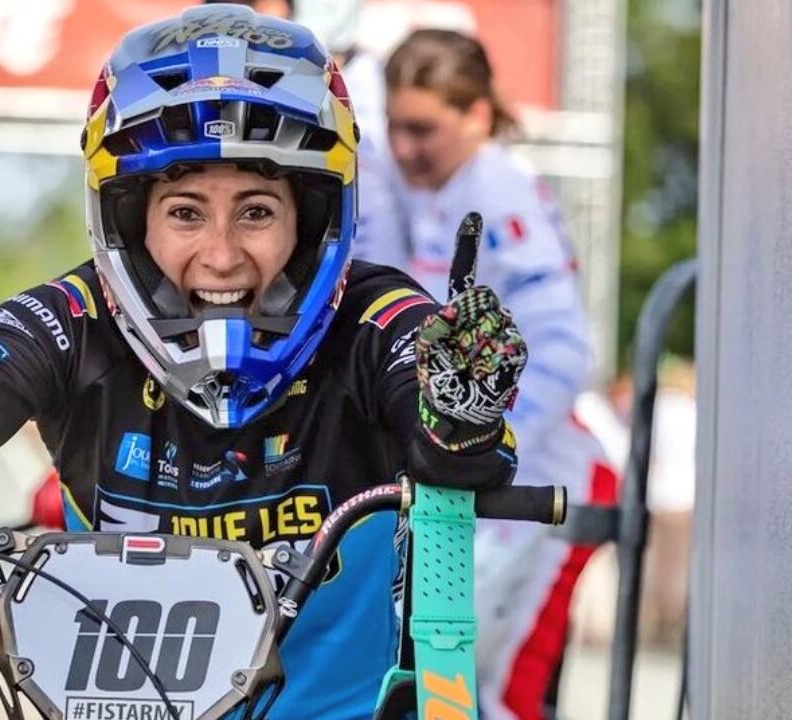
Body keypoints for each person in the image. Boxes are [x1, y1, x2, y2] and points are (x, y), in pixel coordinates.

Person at [0, 7, 527, 719]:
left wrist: (461, 407)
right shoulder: (71, 317)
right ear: (129, 218)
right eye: (185, 212)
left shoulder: (378, 317)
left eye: (256, 211)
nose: (221, 255)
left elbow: (462, 456)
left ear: (312, 219)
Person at [352, 28, 612, 720]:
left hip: (541, 482)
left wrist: (479, 446)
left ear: (475, 115)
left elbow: (565, 346)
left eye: (422, 129)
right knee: (449, 691)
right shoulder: (439, 187)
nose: (404, 147)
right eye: (395, 127)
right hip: (485, 489)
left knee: (493, 697)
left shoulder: (496, 187)